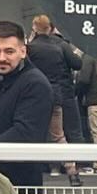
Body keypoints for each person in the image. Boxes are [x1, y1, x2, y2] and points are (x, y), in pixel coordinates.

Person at [0, 20, 54, 191]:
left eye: (9, 51)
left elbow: (24, 136)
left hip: (17, 187)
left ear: (23, 51)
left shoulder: (35, 84)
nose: (2, 57)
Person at [25, 14, 84, 182]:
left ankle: (35, 170)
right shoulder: (60, 47)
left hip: (34, 96)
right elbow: (76, 64)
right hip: (56, 95)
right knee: (59, 135)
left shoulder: (31, 49)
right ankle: (72, 171)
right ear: (50, 28)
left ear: (34, 28)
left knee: (32, 133)